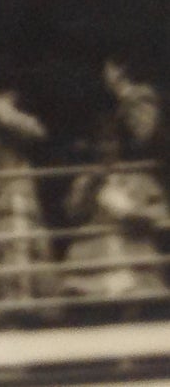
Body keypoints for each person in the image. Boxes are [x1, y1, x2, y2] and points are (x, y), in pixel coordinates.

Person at [63, 83, 170, 320]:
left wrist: (134, 213)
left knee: (134, 312)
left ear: (120, 144)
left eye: (111, 141)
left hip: (134, 261)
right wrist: (92, 185)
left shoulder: (139, 176)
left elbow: (163, 217)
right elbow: (72, 213)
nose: (106, 148)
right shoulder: (85, 180)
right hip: (95, 265)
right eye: (100, 142)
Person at [0, 85, 57, 318]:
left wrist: (0, 111)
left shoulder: (8, 120)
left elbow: (37, 133)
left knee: (27, 271)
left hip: (16, 204)